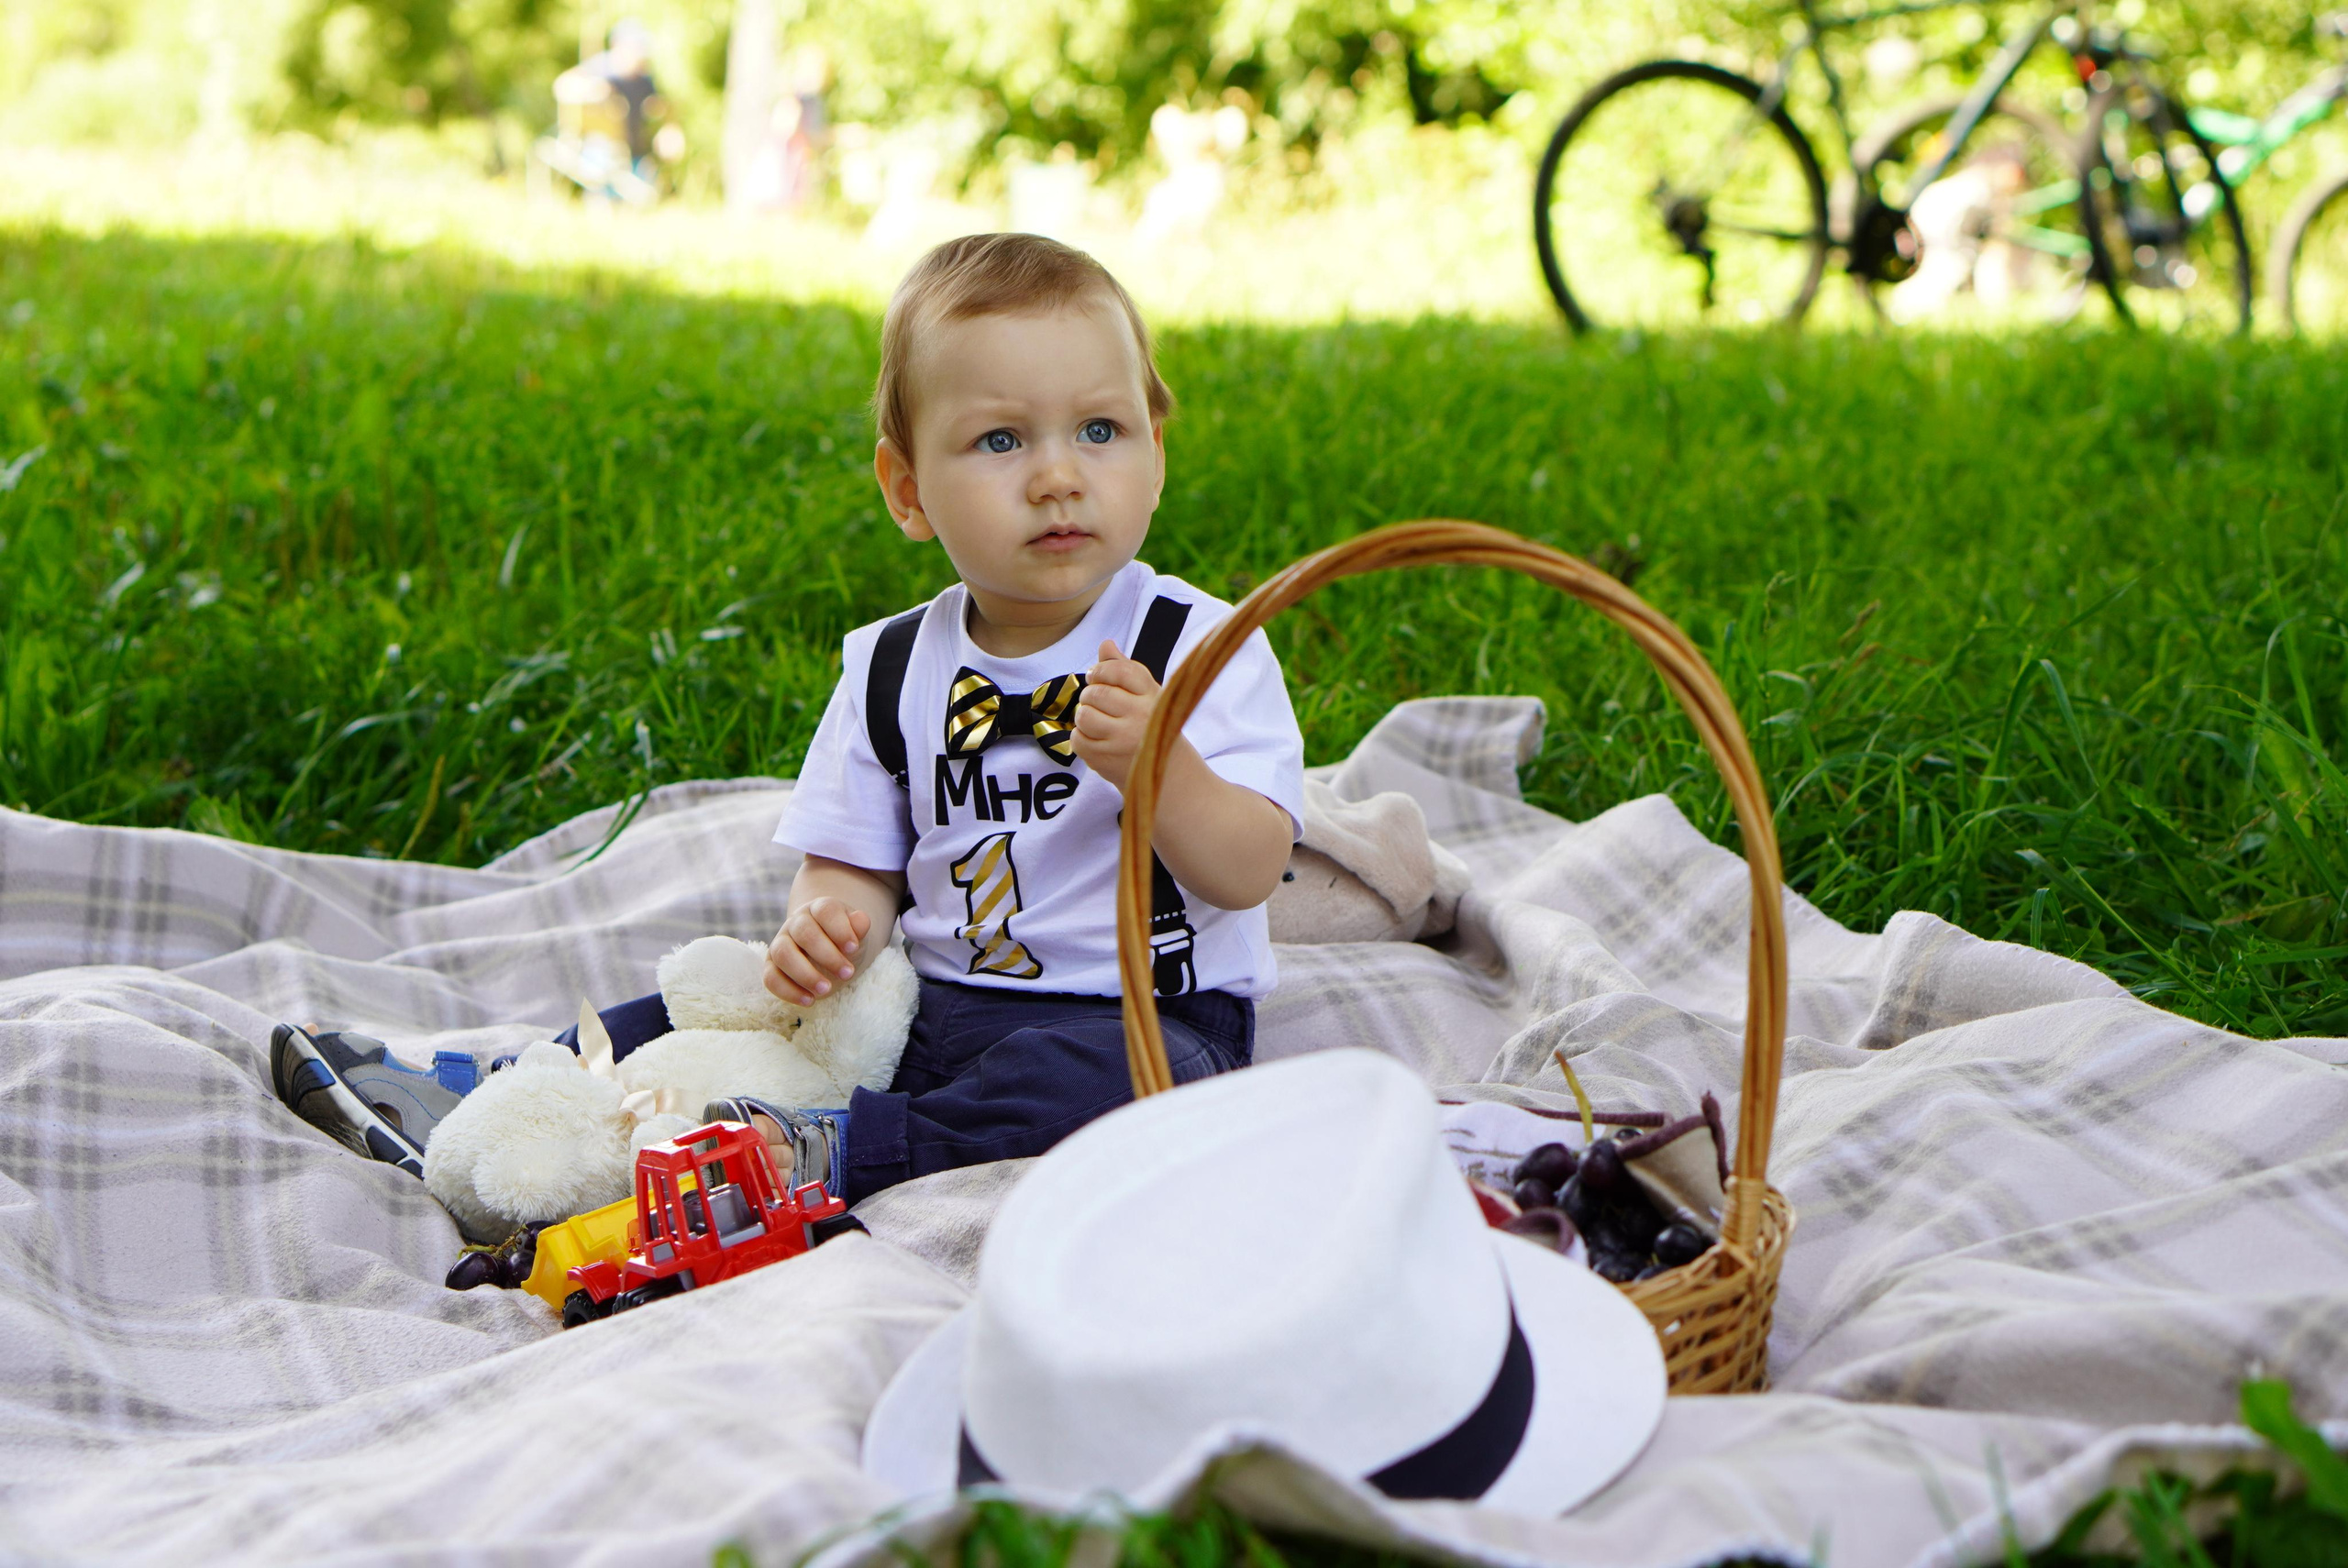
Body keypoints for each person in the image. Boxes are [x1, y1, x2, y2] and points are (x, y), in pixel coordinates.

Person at [273, 234, 1305, 1209]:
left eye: (1099, 430)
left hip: (1135, 1018)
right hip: (928, 1002)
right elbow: (856, 861)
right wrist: (829, 927)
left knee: (1097, 1089)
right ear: (908, 491)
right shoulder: (894, 667)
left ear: (1154, 452)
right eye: (999, 439)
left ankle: (836, 1151)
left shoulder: (1198, 648)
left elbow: (1248, 868)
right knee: (703, 1006)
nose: (1057, 474)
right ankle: (502, 1088)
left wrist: (1166, 774)